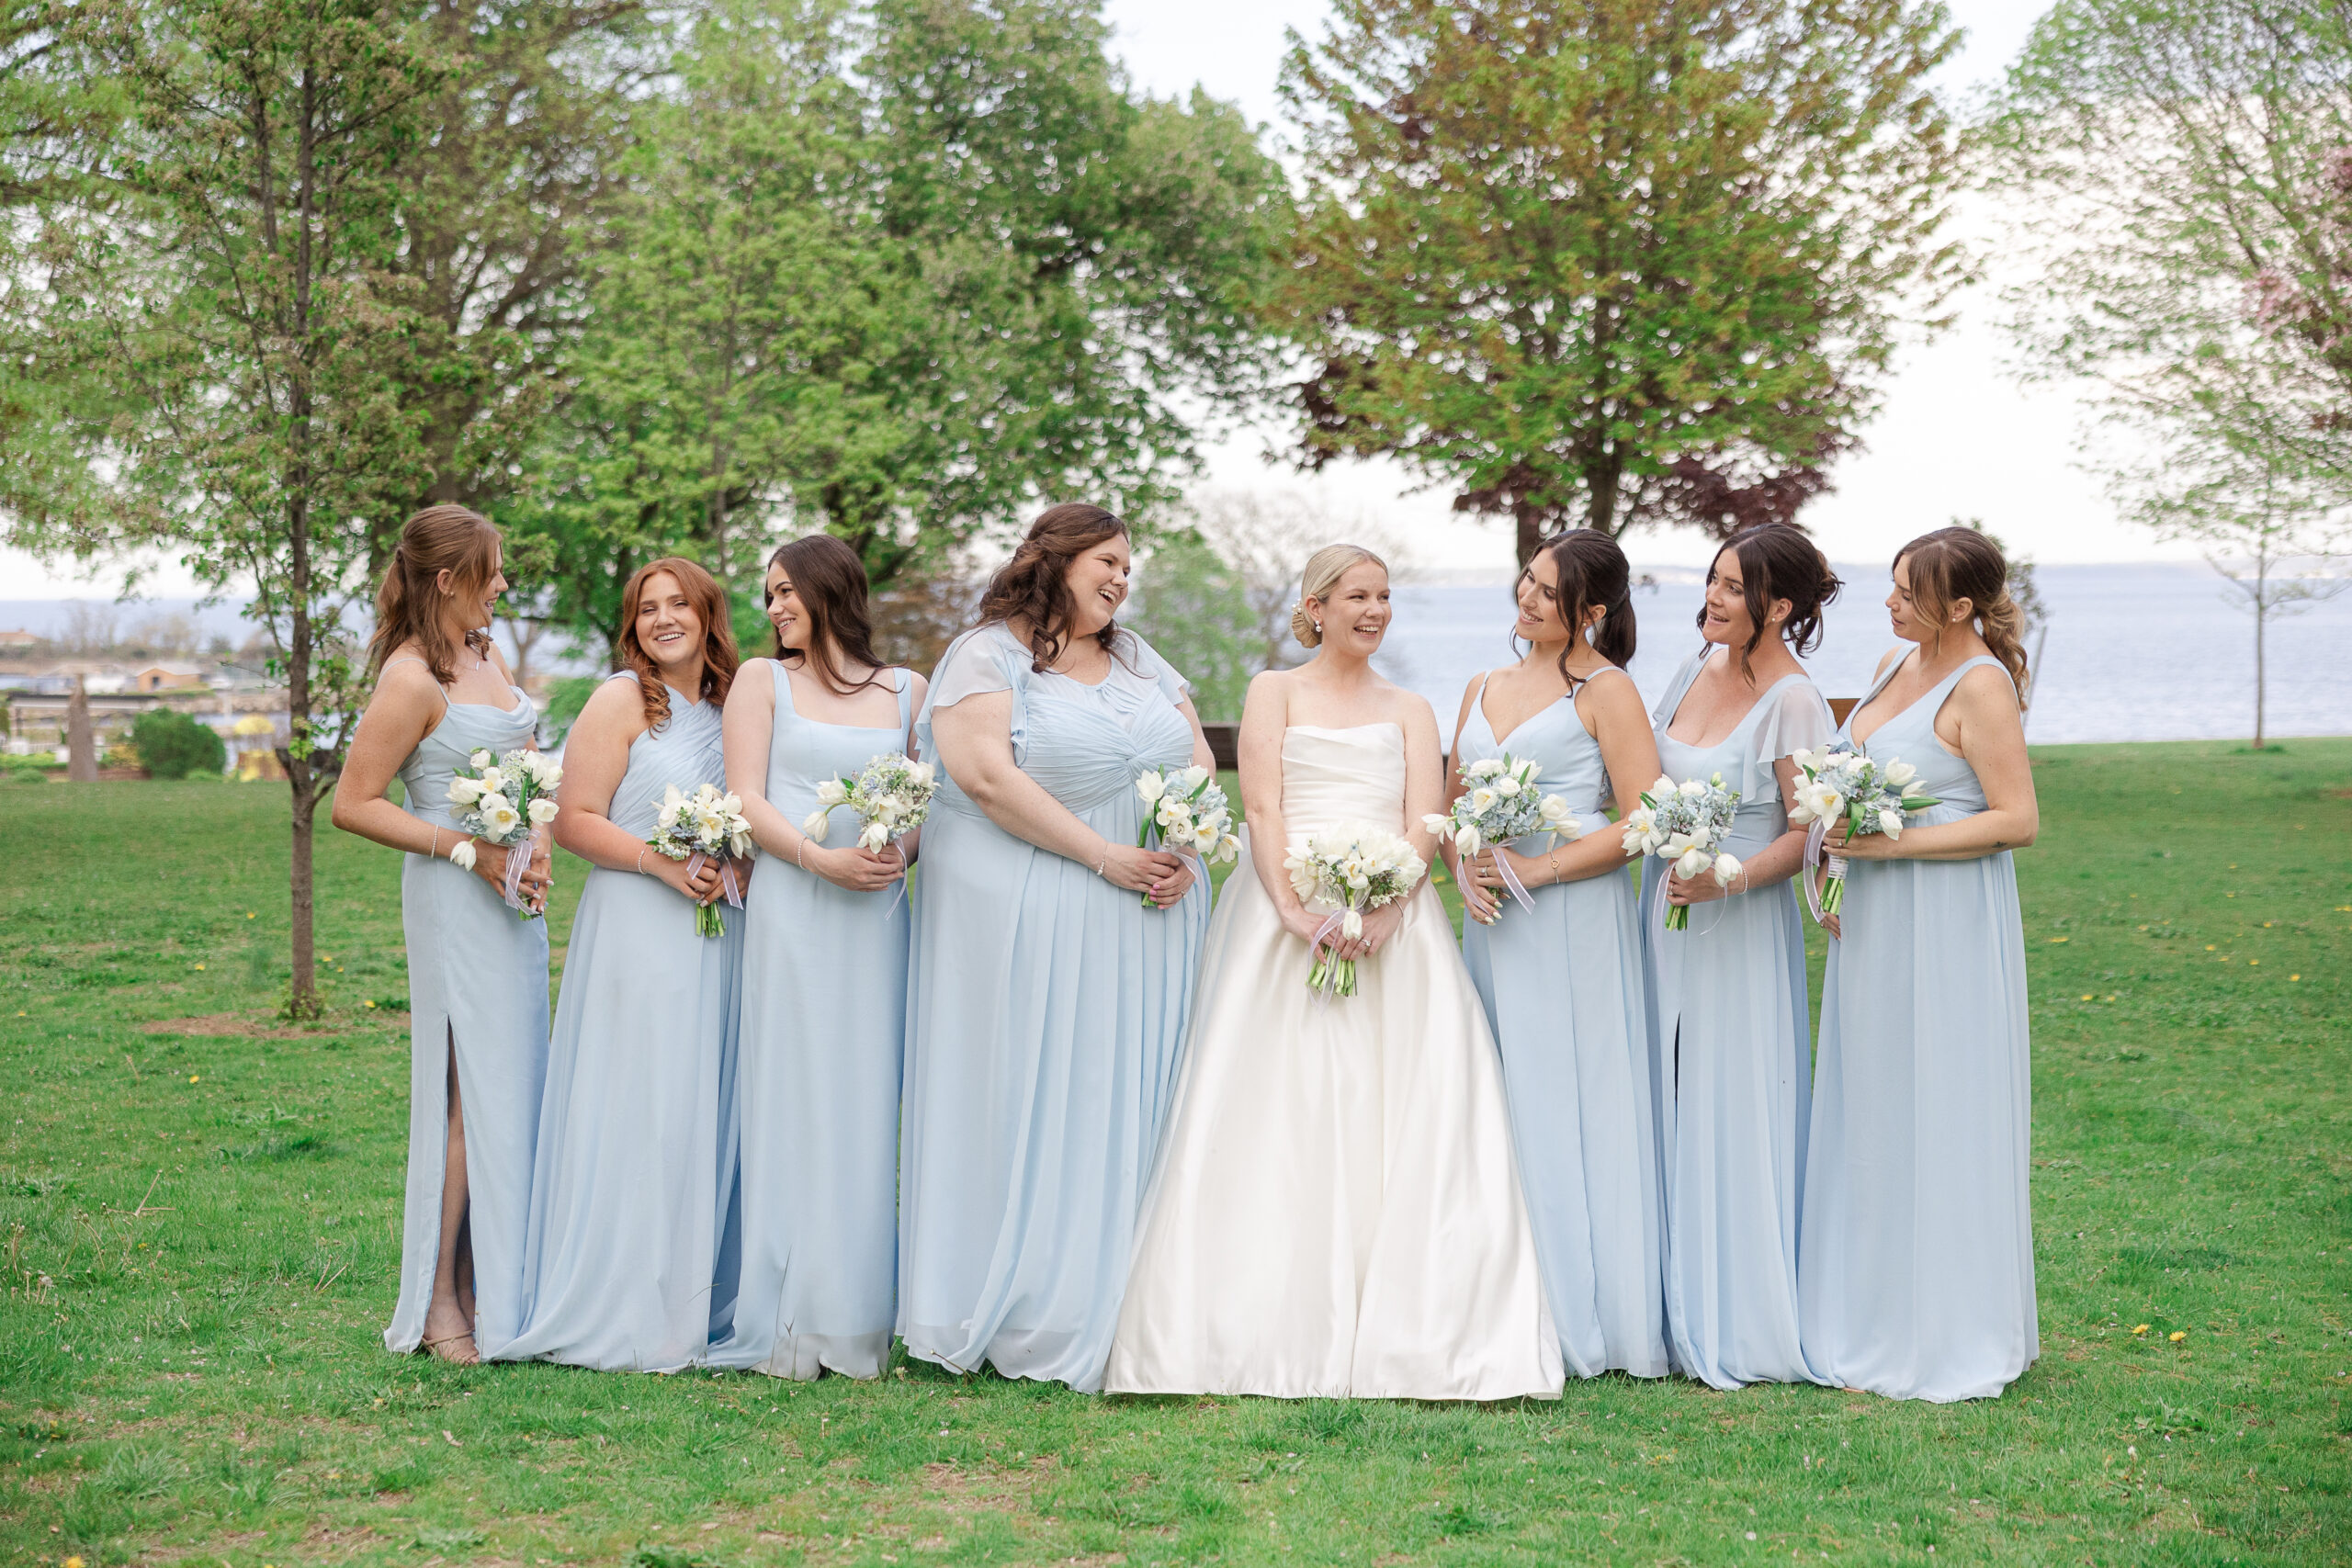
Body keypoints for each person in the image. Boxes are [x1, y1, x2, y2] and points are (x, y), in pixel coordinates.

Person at [1106, 544, 1563, 1401]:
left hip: (1395, 918)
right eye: (1358, 595)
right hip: (1284, 910)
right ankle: (1252, 1325)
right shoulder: (1273, 690)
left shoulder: (1412, 706)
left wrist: (1390, 906)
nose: (1375, 610)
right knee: (1276, 1103)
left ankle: (1416, 1329)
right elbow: (1265, 803)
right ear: (1316, 606)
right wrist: (1289, 908)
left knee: (1404, 1104)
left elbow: (1425, 813)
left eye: (1386, 596)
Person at [897, 503, 1214, 1392]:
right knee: (1049, 1093)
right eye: (1107, 561)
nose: (1121, 578)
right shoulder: (985, 655)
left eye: (1127, 566)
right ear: (1058, 561)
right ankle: (1037, 1302)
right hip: (1041, 910)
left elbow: (1196, 757)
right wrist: (1105, 854)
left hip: (1153, 909)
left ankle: (1133, 1302)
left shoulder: (1139, 658)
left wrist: (1184, 844)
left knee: (1137, 1094)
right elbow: (986, 779)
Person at [1801, 527, 2041, 1401]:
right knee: (1874, 1098)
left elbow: (2017, 819)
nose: (1891, 601)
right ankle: (1866, 1307)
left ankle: (1947, 1324)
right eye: (1894, 585)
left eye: (1908, 590)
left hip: (1944, 921)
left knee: (1939, 1099)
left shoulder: (1980, 685)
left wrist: (1892, 846)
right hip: (1874, 918)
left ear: (1961, 606)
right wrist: (1833, 852)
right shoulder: (1892, 664)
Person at [501, 558, 746, 1372]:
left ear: (710, 613)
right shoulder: (619, 698)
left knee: (704, 1100)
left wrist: (726, 866)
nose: (664, 619)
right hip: (638, 921)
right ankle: (624, 1302)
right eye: (648, 609)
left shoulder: (737, 703)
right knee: (643, 1102)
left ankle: (703, 1299)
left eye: (680, 604)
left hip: (722, 925)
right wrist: (663, 865)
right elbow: (573, 820)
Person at [334, 506, 553, 1364]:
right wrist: (467, 849)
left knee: (512, 1085)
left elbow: (527, 762)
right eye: (492, 570)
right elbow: (357, 803)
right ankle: (438, 1302)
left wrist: (532, 849)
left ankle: (500, 1287)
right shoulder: (411, 676)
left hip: (511, 895)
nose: (503, 583)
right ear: (448, 578)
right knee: (467, 1095)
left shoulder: (486, 652)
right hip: (453, 895)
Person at [1452, 529, 1668, 1381]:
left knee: (1572, 1100)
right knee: (1497, 1099)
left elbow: (1645, 820)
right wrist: (1461, 865)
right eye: (1527, 581)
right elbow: (1449, 807)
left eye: (1548, 591)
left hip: (1572, 924)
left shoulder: (1607, 692)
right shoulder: (1480, 685)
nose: (1528, 599)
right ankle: (1503, 1298)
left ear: (1594, 610)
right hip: (1492, 925)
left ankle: (1589, 1310)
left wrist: (1537, 865)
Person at [708, 536, 924, 1381]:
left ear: (833, 590)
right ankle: (786, 1315)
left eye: (786, 591)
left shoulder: (908, 688)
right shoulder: (764, 683)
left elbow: (923, 794)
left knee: (865, 1097)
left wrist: (896, 850)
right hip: (795, 906)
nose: (773, 608)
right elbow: (745, 796)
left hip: (877, 915)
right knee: (792, 1089)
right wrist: (818, 859)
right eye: (767, 596)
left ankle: (858, 1317)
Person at [1642, 522, 1839, 1391]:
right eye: (1713, 580)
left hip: (1737, 920)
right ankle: (1660, 1292)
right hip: (1666, 909)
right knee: (1664, 1087)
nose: (1713, 598)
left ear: (1780, 606)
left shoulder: (1795, 701)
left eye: (1732, 587)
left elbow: (1811, 830)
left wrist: (1728, 878)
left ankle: (1734, 1306)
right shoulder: (1692, 668)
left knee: (1726, 1096)